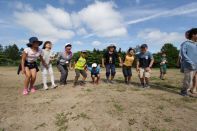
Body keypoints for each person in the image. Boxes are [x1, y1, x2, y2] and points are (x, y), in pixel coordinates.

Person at [180, 28, 197, 96]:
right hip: (189, 65)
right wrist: (190, 62)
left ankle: (188, 90)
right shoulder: (186, 43)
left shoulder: (196, 44)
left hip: (196, 65)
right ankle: (184, 91)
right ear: (193, 35)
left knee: (191, 79)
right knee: (188, 80)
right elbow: (183, 54)